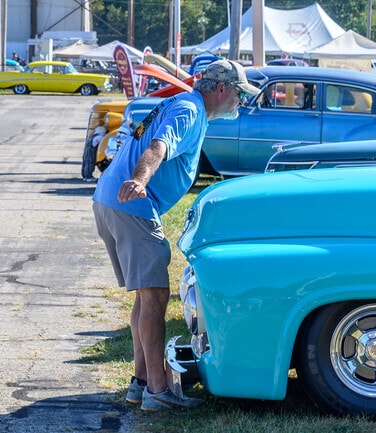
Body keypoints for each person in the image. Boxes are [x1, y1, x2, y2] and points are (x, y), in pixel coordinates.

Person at [91, 59, 260, 411]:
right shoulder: (189, 111)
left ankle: (141, 383)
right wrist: (140, 179)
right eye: (239, 94)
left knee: (146, 296)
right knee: (155, 297)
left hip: (109, 202)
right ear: (221, 89)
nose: (240, 102)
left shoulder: (184, 103)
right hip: (130, 204)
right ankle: (157, 391)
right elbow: (158, 147)